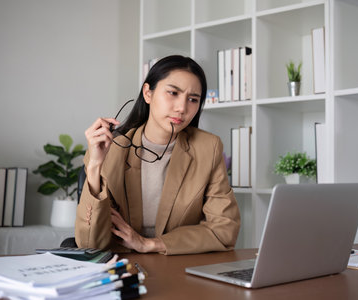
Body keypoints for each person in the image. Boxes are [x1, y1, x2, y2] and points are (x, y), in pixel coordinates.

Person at [75, 55, 240, 255]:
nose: (182, 108)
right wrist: (94, 165)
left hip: (179, 266)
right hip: (122, 268)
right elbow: (89, 245)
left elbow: (224, 231)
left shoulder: (208, 147)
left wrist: (150, 244)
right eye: (172, 93)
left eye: (193, 99)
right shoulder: (112, 148)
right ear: (148, 93)